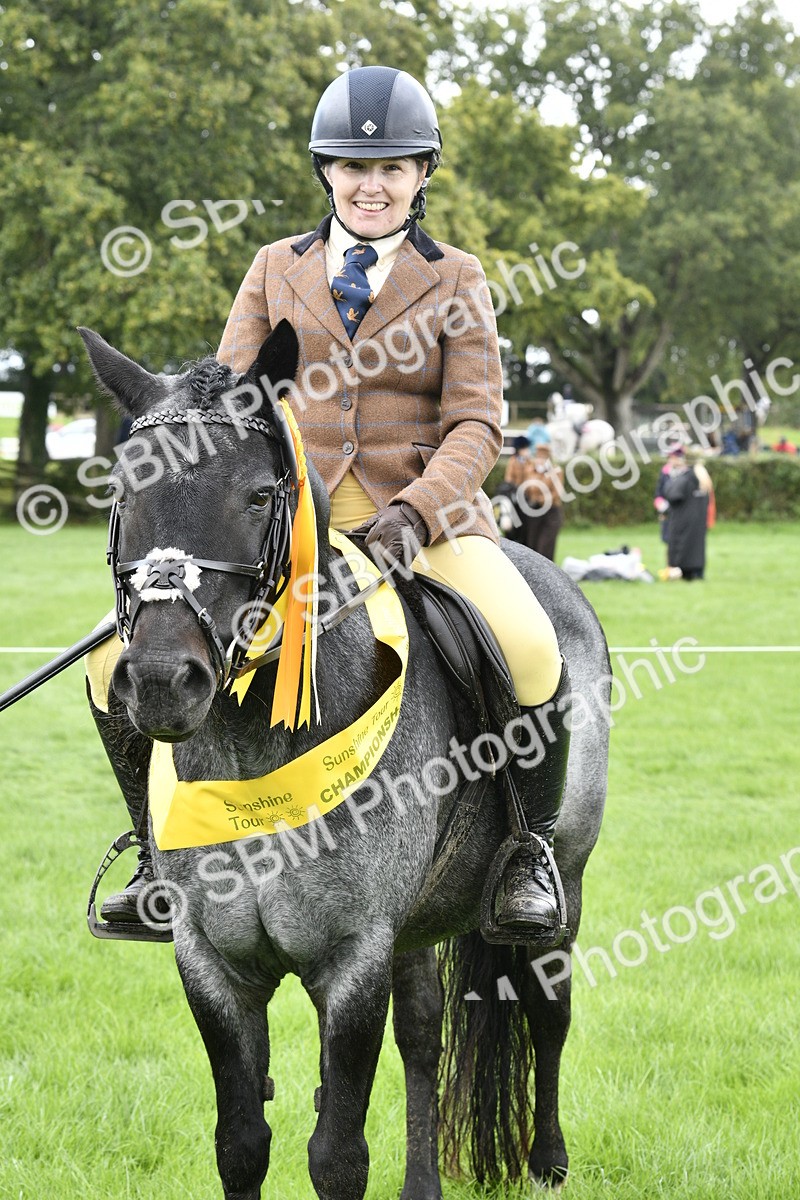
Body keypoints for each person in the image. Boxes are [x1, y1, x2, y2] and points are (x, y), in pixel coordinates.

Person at [100, 66, 571, 944]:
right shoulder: (274, 267)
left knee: (530, 642)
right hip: (282, 532)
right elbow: (224, 403)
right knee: (109, 663)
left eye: (393, 167)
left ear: (422, 175)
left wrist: (420, 510)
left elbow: (478, 422)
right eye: (354, 168)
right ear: (327, 173)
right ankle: (151, 852)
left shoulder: (458, 277)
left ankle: (524, 851)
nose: (372, 184)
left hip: (420, 524)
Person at [504, 438, 564, 560]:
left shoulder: (556, 471)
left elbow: (557, 493)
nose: (539, 461)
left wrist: (539, 499)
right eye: (538, 457)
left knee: (545, 547)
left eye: (543, 458)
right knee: (532, 546)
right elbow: (522, 485)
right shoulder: (530, 470)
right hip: (533, 513)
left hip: (550, 512)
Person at [662, 448, 715, 580]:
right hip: (699, 522)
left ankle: (683, 573)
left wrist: (671, 480)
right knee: (697, 548)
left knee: (681, 547)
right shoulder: (704, 480)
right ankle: (697, 573)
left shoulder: (685, 478)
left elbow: (672, 495)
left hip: (682, 521)